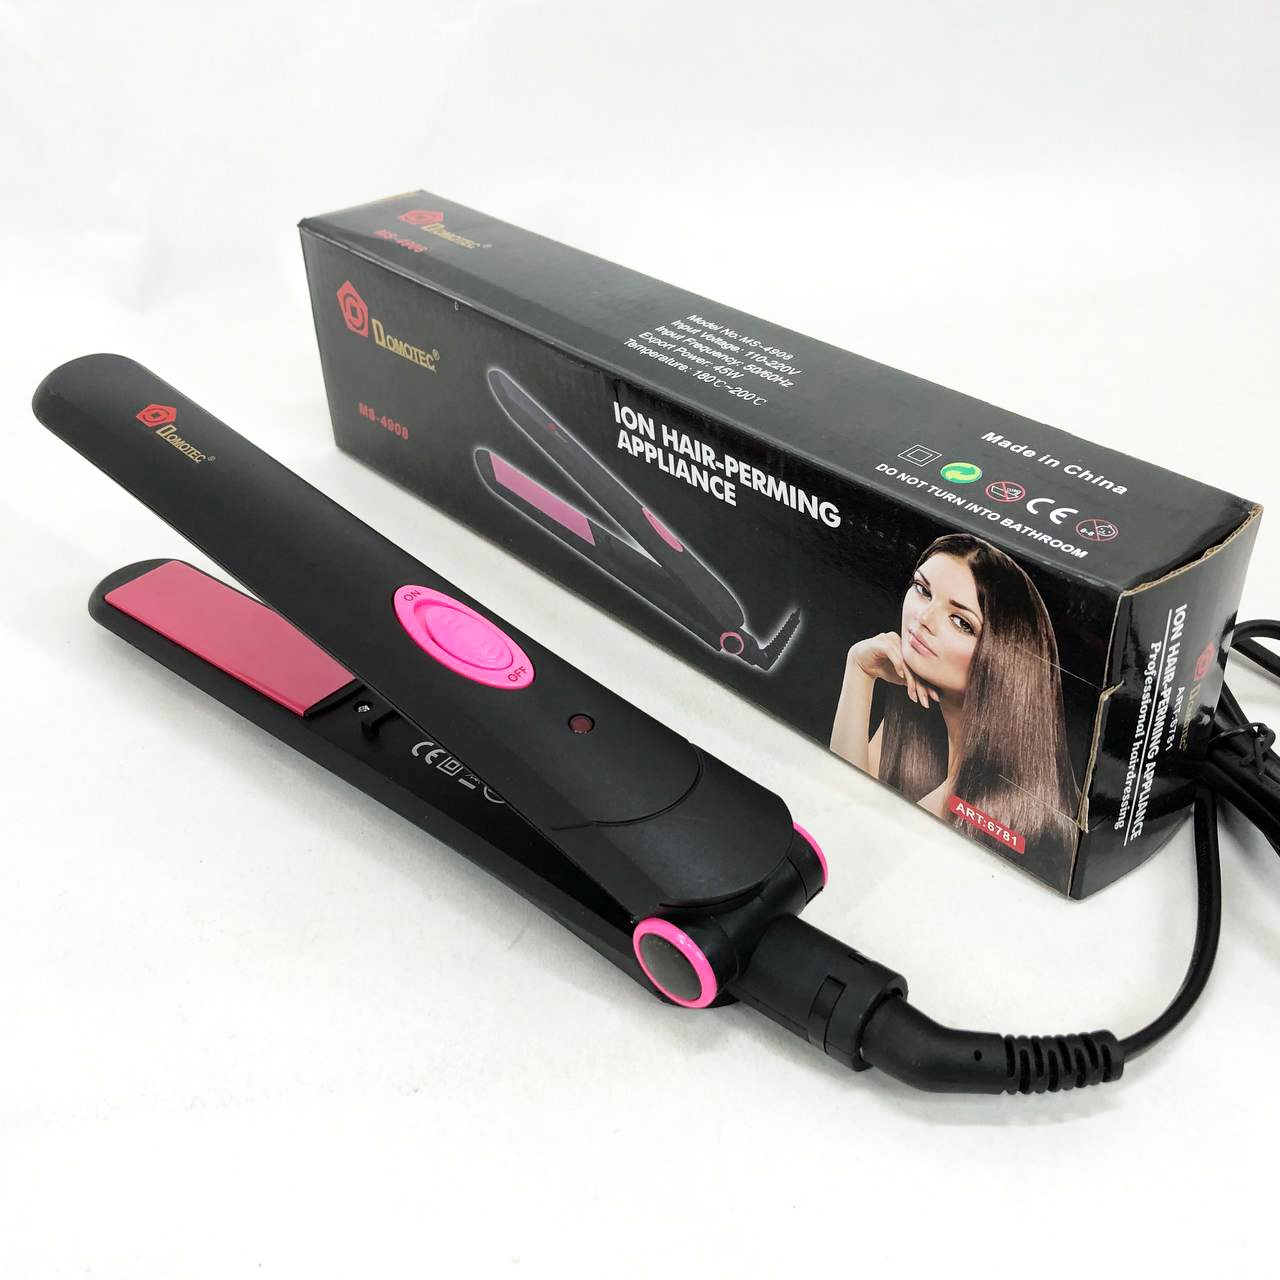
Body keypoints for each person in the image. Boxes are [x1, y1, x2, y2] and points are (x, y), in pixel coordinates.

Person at [830, 532, 1079, 857]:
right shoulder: (914, 720)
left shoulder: (1001, 806)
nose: (923, 618)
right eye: (923, 590)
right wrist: (859, 671)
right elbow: (844, 804)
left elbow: (855, 835)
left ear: (1006, 662)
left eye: (961, 622)